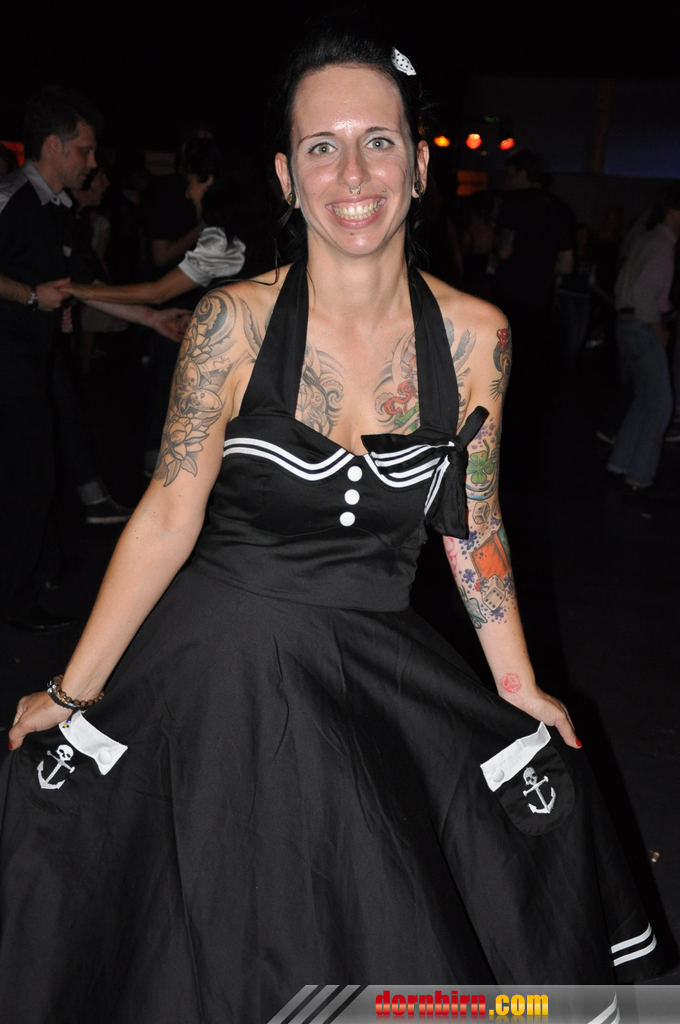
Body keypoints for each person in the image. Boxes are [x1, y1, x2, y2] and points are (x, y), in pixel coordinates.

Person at [0, 28, 662, 1022]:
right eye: (322, 146)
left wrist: (517, 684)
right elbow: (169, 514)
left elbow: (473, 526)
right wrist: (71, 688)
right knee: (200, 934)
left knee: (388, 916)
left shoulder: (476, 336)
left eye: (377, 141)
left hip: (371, 668)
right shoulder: (232, 322)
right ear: (286, 175)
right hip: (217, 674)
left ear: (419, 164)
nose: (352, 174)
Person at [0, 87, 185, 632]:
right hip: (7, 361)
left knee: (39, 468)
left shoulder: (58, 210)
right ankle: (15, 600)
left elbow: (82, 288)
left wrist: (152, 319)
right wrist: (29, 297)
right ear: (53, 147)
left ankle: (40, 566)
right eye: (84, 150)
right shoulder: (12, 199)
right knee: (30, 474)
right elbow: (39, 292)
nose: (92, 161)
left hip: (33, 357)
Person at [606, 184, 680, 491]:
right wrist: (657, 324)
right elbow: (645, 294)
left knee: (644, 399)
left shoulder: (647, 239)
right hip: (641, 326)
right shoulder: (663, 244)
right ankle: (639, 475)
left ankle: (620, 462)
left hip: (626, 323)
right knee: (661, 404)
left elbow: (625, 285)